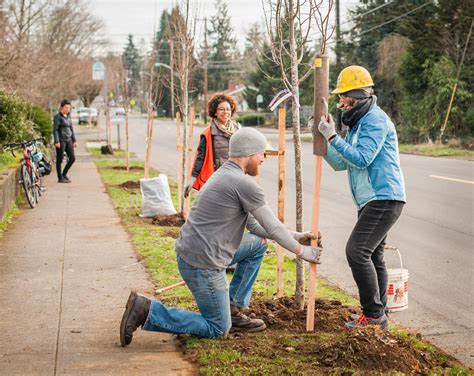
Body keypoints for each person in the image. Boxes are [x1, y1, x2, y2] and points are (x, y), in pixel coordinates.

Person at [120, 127, 323, 345]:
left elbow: (256, 227)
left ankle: (232, 307)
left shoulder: (226, 174)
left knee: (257, 244)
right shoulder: (243, 184)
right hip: (203, 264)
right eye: (262, 153)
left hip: (196, 252)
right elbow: (273, 226)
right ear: (249, 152)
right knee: (217, 327)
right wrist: (302, 252)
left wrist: (298, 236)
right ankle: (148, 310)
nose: (264, 159)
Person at [318, 65, 406, 330]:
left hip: (383, 197)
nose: (340, 101)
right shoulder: (358, 123)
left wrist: (332, 136)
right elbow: (343, 163)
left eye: (343, 96)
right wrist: (322, 142)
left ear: (356, 95)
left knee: (356, 252)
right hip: (372, 199)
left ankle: (374, 314)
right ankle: (380, 315)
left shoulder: (375, 120)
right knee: (374, 255)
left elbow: (362, 157)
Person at [184, 92, 240, 198]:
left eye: (228, 109)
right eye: (221, 109)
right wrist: (192, 179)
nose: (225, 112)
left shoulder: (238, 130)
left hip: (236, 178)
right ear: (215, 112)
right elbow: (200, 158)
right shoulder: (208, 133)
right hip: (217, 180)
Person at [53, 99, 77, 183]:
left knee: (72, 158)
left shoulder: (69, 116)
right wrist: (56, 141)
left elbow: (71, 128)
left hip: (69, 139)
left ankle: (64, 174)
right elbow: (55, 130)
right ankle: (60, 177)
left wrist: (74, 140)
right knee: (60, 159)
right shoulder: (58, 117)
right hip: (61, 140)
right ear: (62, 107)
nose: (68, 110)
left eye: (69, 108)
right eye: (66, 108)